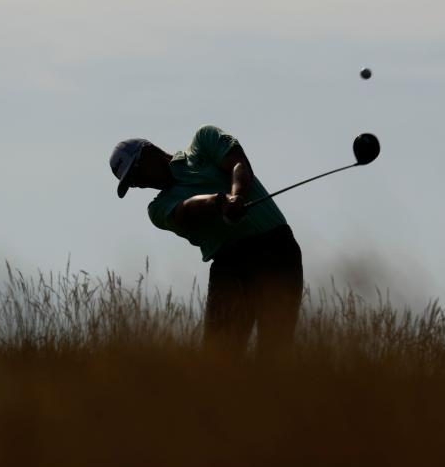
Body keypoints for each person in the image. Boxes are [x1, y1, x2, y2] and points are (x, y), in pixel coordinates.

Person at [109, 124, 303, 356]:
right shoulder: (157, 209)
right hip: (228, 265)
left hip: (276, 250)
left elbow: (239, 164)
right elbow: (185, 210)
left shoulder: (204, 140)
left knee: (276, 348)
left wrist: (238, 195)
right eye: (131, 182)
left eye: (136, 172)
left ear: (150, 151)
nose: (138, 183)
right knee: (219, 358)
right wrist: (219, 202)